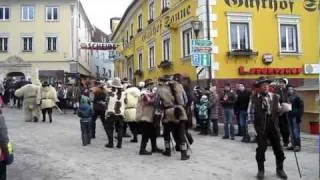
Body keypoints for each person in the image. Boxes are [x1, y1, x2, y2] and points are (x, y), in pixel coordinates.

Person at [248, 77, 287, 180]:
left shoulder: (275, 97)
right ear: (259, 87)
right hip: (261, 127)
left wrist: (283, 109)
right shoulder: (254, 98)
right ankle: (261, 171)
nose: (265, 86)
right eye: (263, 85)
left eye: (267, 85)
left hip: (273, 126)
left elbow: (278, 111)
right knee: (261, 149)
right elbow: (250, 113)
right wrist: (250, 126)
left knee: (278, 148)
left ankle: (280, 169)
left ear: (269, 86)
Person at [157, 75, 190, 160]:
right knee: (181, 133)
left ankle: (167, 151)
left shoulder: (160, 89)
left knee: (166, 133)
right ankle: (183, 154)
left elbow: (158, 103)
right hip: (179, 111)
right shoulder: (178, 86)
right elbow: (185, 100)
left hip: (167, 112)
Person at [136, 79, 162, 155]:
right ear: (147, 85)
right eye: (151, 84)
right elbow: (149, 101)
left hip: (151, 117)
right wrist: (156, 96)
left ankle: (154, 148)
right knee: (145, 134)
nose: (153, 86)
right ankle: (142, 150)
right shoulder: (143, 93)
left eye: (153, 84)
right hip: (145, 116)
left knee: (153, 133)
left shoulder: (150, 92)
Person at [105, 78, 124, 149]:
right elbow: (126, 102)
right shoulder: (123, 93)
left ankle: (111, 143)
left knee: (109, 128)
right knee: (120, 128)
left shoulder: (110, 93)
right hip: (120, 113)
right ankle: (119, 144)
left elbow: (106, 103)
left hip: (111, 113)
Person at [287, 85, 304, 152]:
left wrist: (299, 116)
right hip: (289, 116)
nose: (289, 90)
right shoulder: (288, 97)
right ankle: (293, 145)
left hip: (295, 117)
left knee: (296, 132)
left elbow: (301, 108)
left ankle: (297, 146)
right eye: (288, 89)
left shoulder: (297, 97)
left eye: (291, 89)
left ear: (293, 90)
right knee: (291, 132)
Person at [275, 78, 290, 147]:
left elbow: (289, 100)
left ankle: (286, 141)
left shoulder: (288, 91)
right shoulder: (277, 91)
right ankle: (279, 142)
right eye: (280, 82)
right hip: (279, 112)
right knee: (279, 127)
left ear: (285, 84)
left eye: (282, 83)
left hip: (287, 113)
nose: (281, 84)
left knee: (286, 128)